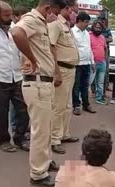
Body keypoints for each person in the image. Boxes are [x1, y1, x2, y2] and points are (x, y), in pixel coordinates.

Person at [11, 0, 65, 186]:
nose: (56, 17)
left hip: (44, 84)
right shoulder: (32, 19)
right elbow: (16, 32)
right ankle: (38, 174)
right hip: (37, 83)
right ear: (48, 8)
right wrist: (33, 61)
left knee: (47, 127)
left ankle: (45, 161)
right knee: (40, 131)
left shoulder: (41, 23)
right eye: (55, 13)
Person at [0, 1, 30, 153]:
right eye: (6, 15)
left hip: (17, 76)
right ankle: (4, 140)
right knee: (0, 113)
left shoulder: (14, 30)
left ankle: (20, 138)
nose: (10, 17)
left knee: (24, 109)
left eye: (11, 14)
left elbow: (19, 51)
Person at [48, 0, 80, 155]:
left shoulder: (67, 26)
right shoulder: (55, 25)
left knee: (68, 105)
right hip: (62, 69)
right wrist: (56, 72)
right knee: (58, 106)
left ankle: (64, 134)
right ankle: (54, 139)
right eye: (74, 9)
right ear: (66, 9)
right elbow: (51, 47)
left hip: (71, 70)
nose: (75, 12)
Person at [72, 12, 97, 115]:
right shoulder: (72, 32)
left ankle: (86, 104)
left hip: (86, 63)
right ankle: (76, 106)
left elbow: (89, 48)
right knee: (76, 86)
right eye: (86, 22)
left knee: (85, 86)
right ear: (80, 21)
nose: (88, 24)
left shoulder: (86, 33)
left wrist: (92, 62)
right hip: (77, 64)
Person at [10, 5, 29, 133]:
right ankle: (14, 126)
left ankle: (21, 127)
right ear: (15, 17)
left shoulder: (24, 30)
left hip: (23, 71)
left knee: (23, 103)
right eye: (23, 17)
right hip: (13, 72)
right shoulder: (11, 31)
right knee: (15, 105)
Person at [90, 20, 107, 105]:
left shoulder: (102, 37)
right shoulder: (89, 36)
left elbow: (105, 48)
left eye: (99, 28)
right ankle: (83, 99)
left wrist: (105, 59)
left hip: (102, 62)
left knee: (100, 82)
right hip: (92, 63)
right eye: (96, 27)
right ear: (93, 27)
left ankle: (99, 98)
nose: (98, 29)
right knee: (89, 81)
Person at [100, 15, 113, 93]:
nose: (102, 23)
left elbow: (111, 39)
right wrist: (105, 39)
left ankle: (106, 85)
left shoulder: (107, 30)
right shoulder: (96, 29)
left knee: (106, 69)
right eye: (101, 21)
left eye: (103, 21)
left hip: (106, 50)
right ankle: (94, 88)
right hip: (97, 50)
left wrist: (101, 39)